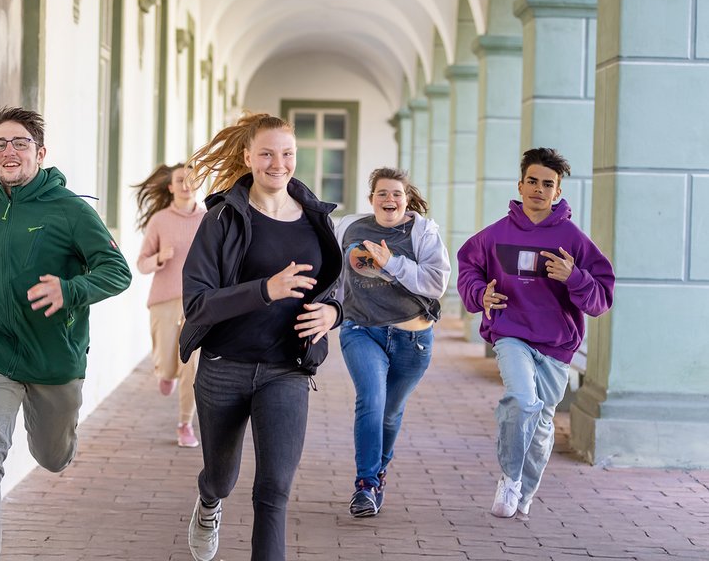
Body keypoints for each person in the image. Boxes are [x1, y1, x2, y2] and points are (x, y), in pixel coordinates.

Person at [0, 106, 132, 560]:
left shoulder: (70, 210)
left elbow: (117, 271)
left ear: (40, 152)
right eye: (0, 144)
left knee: (52, 457)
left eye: (20, 143)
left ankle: (58, 442)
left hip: (53, 355)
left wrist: (69, 290)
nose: (9, 151)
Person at [178, 112, 343, 561]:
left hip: (286, 369)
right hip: (223, 367)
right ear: (248, 156)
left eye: (287, 153)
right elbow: (197, 304)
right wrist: (265, 290)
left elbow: (336, 288)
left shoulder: (317, 220)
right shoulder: (222, 219)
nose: (278, 163)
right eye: (267, 154)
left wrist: (333, 312)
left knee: (274, 489)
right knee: (221, 477)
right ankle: (209, 501)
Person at [456, 147, 614, 520]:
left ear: (557, 191)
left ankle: (525, 491)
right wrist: (480, 294)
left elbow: (601, 299)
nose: (538, 190)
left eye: (547, 184)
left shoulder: (573, 239)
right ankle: (510, 478)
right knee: (522, 400)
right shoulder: (496, 234)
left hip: (557, 346)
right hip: (511, 334)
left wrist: (574, 277)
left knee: (542, 426)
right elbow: (468, 267)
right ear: (520, 185)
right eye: (532, 181)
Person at [334, 167, 451, 517]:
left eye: (396, 194)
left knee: (389, 413)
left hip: (412, 339)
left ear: (407, 199)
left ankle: (379, 471)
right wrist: (328, 309)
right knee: (371, 400)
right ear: (371, 199)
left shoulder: (423, 233)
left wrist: (393, 263)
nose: (389, 199)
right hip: (361, 330)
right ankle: (365, 485)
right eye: (382, 193)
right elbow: (334, 274)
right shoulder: (350, 228)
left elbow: (435, 284)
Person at [134, 163, 206, 448]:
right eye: (180, 180)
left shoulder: (209, 219)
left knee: (192, 365)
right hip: (163, 301)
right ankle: (166, 374)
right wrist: (160, 258)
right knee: (167, 364)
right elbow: (142, 264)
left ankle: (185, 424)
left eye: (191, 179)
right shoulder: (160, 220)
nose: (186, 184)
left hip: (197, 303)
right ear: (170, 187)